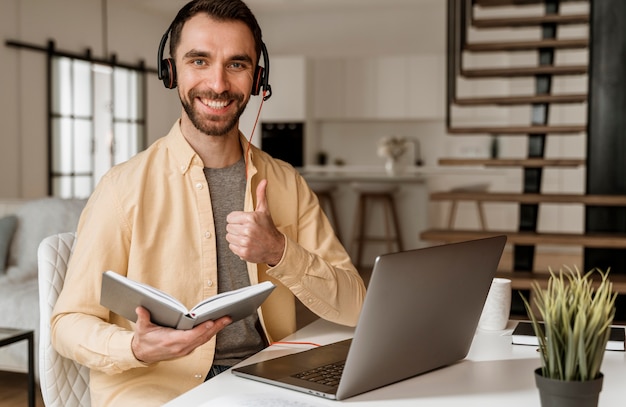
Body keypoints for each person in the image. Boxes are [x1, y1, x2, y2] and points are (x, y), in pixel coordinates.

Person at [50, 0, 366, 405]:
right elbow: (66, 324)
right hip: (159, 391)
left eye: (236, 64)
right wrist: (134, 347)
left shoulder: (286, 183)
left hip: (265, 382)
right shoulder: (122, 188)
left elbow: (355, 307)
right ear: (171, 71)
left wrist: (279, 251)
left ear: (257, 78)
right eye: (199, 61)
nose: (217, 84)